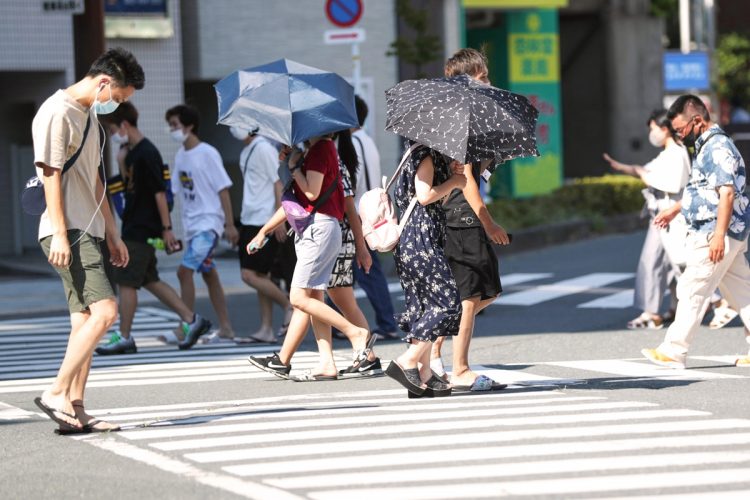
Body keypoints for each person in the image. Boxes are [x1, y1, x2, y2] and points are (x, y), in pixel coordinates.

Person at [31, 48, 143, 433]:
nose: (117, 105)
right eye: (120, 97)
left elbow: (96, 182)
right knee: (106, 313)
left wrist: (113, 233)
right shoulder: (56, 112)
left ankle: (74, 410)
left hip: (89, 229)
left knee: (84, 321)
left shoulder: (92, 121)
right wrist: (61, 234)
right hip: (69, 230)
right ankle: (56, 392)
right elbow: (50, 176)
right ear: (104, 83)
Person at [249, 131, 381, 380]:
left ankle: (356, 335)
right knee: (315, 299)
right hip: (317, 230)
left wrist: (294, 167)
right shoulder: (314, 152)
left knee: (302, 298)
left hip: (324, 231)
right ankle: (324, 362)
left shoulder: (322, 150)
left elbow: (316, 195)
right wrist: (291, 165)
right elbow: (296, 202)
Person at [95, 102, 212, 355]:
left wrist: (167, 228)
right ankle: (192, 320)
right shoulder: (133, 153)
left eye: (114, 129)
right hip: (137, 224)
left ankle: (124, 336)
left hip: (142, 228)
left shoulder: (147, 153)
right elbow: (131, 189)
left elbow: (160, 193)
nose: (114, 135)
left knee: (126, 281)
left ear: (124, 125)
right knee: (150, 280)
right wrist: (122, 162)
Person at [643, 94, 750, 369]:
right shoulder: (707, 146)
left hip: (715, 232)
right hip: (727, 231)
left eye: (681, 130)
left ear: (698, 121)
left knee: (692, 288)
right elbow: (707, 190)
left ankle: (674, 350)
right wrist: (677, 208)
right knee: (743, 293)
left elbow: (726, 193)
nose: (679, 135)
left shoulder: (716, 147)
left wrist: (717, 235)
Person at [427, 48, 511, 391]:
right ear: (464, 82)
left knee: (486, 292)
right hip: (463, 219)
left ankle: (433, 342)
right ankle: (459, 369)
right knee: (471, 296)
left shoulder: (467, 121)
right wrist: (489, 222)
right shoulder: (460, 125)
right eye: (481, 77)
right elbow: (468, 182)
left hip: (461, 218)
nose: (488, 82)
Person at [385, 143, 466, 397]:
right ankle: (407, 360)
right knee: (447, 302)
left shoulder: (420, 155)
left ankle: (424, 373)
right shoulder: (425, 156)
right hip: (421, 240)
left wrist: (449, 175)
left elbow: (430, 199)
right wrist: (453, 181)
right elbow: (424, 196)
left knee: (424, 307)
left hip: (415, 240)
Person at [603, 109, 691, 330]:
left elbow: (669, 183)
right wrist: (624, 167)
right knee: (671, 265)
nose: (651, 133)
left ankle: (653, 312)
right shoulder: (668, 153)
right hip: (663, 215)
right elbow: (645, 170)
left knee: (656, 262)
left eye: (652, 128)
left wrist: (644, 175)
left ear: (664, 128)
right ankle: (676, 307)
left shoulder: (677, 153)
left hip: (670, 216)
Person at [165, 104, 239, 346]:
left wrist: (229, 224)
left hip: (209, 224)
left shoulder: (207, 153)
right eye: (171, 125)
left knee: (184, 271)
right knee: (210, 275)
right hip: (193, 226)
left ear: (189, 126)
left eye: (175, 125)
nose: (172, 130)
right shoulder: (180, 155)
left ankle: (184, 326)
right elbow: (174, 190)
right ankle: (226, 327)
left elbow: (223, 189)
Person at [230, 125, 291, 344]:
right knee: (261, 276)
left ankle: (288, 304)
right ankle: (265, 328)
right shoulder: (247, 150)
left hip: (263, 220)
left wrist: (278, 220)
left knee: (249, 275)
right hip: (250, 219)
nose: (233, 129)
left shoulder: (264, 148)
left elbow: (278, 183)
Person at [350, 96, 400, 341]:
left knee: (367, 271)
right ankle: (379, 321)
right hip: (371, 211)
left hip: (360, 213)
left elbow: (353, 183)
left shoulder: (353, 143)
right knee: (362, 271)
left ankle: (386, 321)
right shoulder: (367, 140)